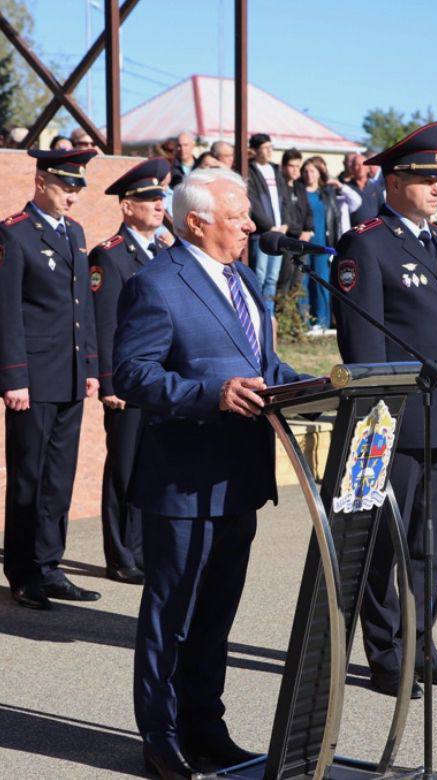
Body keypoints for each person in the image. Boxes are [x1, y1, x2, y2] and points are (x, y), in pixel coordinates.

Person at [113, 167, 303, 778]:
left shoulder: (244, 276)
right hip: (183, 480)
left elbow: (266, 364)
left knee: (217, 613)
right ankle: (161, 738)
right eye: (238, 215)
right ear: (196, 222)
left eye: (248, 214)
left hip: (240, 475)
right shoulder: (155, 284)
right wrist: (212, 394)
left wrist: (324, 386)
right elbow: (132, 374)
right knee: (173, 615)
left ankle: (206, 727)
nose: (252, 224)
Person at [333, 122, 437, 698]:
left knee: (430, 545)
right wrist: (379, 419)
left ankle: (424, 647)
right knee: (382, 543)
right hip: (392, 423)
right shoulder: (365, 244)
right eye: (423, 179)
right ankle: (387, 654)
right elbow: (364, 349)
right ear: (392, 182)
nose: (435, 188)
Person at [0, 148, 101, 610]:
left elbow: (82, 309)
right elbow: (5, 311)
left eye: (77, 188)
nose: (73, 197)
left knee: (59, 478)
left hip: (69, 375)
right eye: (65, 186)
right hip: (32, 379)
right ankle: (23, 571)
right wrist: (13, 378)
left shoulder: (74, 233)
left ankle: (50, 564)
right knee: (29, 477)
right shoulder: (11, 235)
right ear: (40, 182)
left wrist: (90, 366)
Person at [88, 157, 171, 586]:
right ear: (126, 206)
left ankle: (143, 549)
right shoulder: (110, 255)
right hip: (127, 381)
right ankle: (121, 555)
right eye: (148, 198)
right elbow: (103, 324)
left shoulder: (164, 251)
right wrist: (109, 381)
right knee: (124, 467)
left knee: (150, 466)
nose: (159, 205)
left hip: (158, 380)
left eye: (161, 197)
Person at [301, 156, 362, 332]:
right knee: (304, 282)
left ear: (319, 173)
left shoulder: (327, 193)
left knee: (321, 280)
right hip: (305, 243)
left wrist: (339, 185)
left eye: (312, 171)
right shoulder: (299, 192)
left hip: (323, 242)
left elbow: (356, 202)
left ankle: (322, 321)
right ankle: (306, 322)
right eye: (305, 171)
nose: (308, 174)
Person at [245, 132, 289, 312]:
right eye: (265, 148)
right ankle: (256, 313)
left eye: (271, 147)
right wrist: (267, 225)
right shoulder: (250, 171)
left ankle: (269, 315)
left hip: (279, 232)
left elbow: (284, 199)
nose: (270, 151)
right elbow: (252, 202)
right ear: (254, 150)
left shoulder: (276, 170)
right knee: (260, 276)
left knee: (272, 278)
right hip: (263, 233)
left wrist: (285, 222)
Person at [274, 149, 314, 304]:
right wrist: (298, 231)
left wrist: (308, 230)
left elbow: (308, 212)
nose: (295, 169)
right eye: (291, 166)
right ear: (283, 167)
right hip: (287, 240)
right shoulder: (279, 187)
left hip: (302, 241)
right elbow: (285, 215)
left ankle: (294, 320)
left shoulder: (300, 187)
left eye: (298, 166)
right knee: (284, 279)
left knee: (298, 282)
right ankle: (282, 317)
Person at [342, 151, 386, 225]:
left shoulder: (377, 188)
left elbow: (383, 212)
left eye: (363, 164)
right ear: (352, 168)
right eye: (356, 165)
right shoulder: (347, 189)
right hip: (354, 232)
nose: (360, 168)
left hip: (373, 230)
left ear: (368, 168)